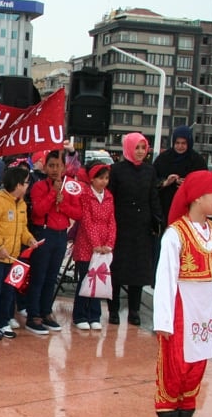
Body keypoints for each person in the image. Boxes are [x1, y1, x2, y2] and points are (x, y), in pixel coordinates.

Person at [153, 170, 212, 417]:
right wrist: (163, 320)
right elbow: (165, 278)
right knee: (176, 363)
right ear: (198, 197)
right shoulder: (175, 234)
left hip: (203, 312)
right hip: (181, 308)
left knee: (197, 363)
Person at [25, 150, 82, 335]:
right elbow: (38, 212)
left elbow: (78, 213)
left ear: (65, 167)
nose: (55, 169)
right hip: (44, 233)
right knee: (39, 276)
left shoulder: (71, 186)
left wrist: (63, 203)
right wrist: (52, 195)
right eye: (51, 165)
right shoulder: (39, 186)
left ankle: (46, 311)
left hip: (60, 235)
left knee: (51, 277)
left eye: (58, 166)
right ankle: (33, 315)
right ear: (45, 166)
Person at [108, 133, 162, 326]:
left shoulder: (150, 170)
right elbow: (110, 197)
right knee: (117, 268)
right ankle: (113, 310)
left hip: (142, 226)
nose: (140, 152)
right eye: (136, 147)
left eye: (143, 147)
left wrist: (157, 221)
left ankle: (134, 310)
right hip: (121, 225)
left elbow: (153, 196)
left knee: (138, 270)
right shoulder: (116, 170)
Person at [0, 166, 35, 341]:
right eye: (26, 182)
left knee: (9, 291)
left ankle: (3, 321)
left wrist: (30, 240)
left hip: (13, 257)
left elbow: (23, 229)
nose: (28, 186)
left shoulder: (22, 204)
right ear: (18, 184)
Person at [72, 162, 116, 330]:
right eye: (100, 178)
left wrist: (109, 244)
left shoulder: (109, 196)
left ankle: (94, 315)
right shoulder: (85, 195)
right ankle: (80, 315)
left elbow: (112, 221)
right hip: (86, 245)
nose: (104, 181)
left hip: (104, 246)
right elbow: (86, 221)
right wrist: (96, 244)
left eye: (106, 178)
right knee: (86, 279)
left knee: (100, 279)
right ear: (92, 179)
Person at [153, 126, 207, 225]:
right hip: (166, 206)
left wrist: (188, 184)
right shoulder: (164, 159)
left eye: (183, 143)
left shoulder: (197, 161)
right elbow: (153, 180)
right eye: (177, 143)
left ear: (189, 143)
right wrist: (165, 182)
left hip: (189, 208)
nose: (180, 146)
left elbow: (204, 183)